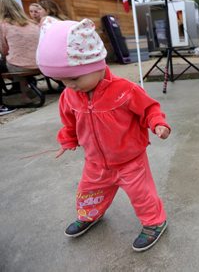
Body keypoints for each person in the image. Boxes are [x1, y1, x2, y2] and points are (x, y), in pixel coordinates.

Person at [36, 17, 172, 252]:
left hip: (130, 160)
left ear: (96, 64)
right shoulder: (70, 96)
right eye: (63, 80)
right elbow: (69, 121)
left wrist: (157, 123)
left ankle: (154, 222)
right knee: (88, 191)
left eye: (75, 78)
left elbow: (149, 108)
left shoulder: (124, 89)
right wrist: (68, 139)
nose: (70, 85)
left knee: (142, 195)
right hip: (95, 161)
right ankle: (90, 214)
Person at [0, 0, 40, 103]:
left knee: (6, 62)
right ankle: (23, 89)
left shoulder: (3, 25)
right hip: (39, 63)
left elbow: (3, 50)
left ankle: (20, 94)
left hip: (21, 66)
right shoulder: (32, 23)